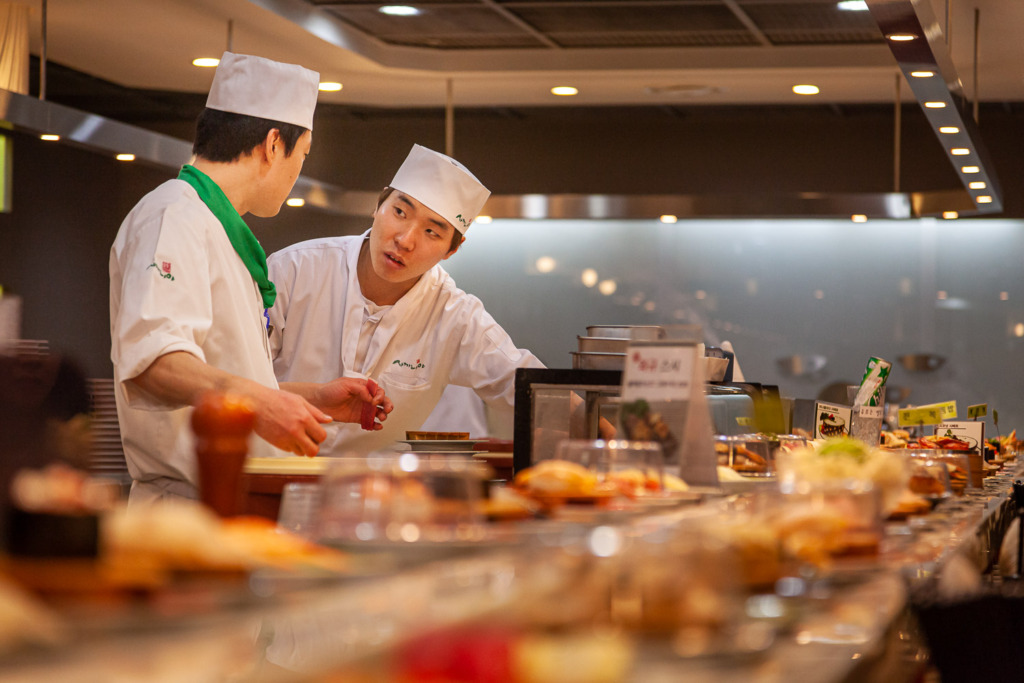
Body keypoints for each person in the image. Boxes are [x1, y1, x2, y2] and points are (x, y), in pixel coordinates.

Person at [109, 52, 391, 502]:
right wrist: (260, 403)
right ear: (273, 144)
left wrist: (313, 397)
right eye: (303, 154)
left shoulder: (218, 229)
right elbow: (153, 363)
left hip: (237, 501)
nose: (299, 170)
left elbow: (221, 375)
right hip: (188, 511)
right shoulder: (173, 216)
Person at [267, 144, 544, 455]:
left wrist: (599, 424)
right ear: (378, 204)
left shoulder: (455, 315)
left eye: (432, 232)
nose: (405, 240)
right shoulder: (293, 269)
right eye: (400, 212)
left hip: (373, 490)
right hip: (263, 473)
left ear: (452, 249)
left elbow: (526, 386)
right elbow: (233, 376)